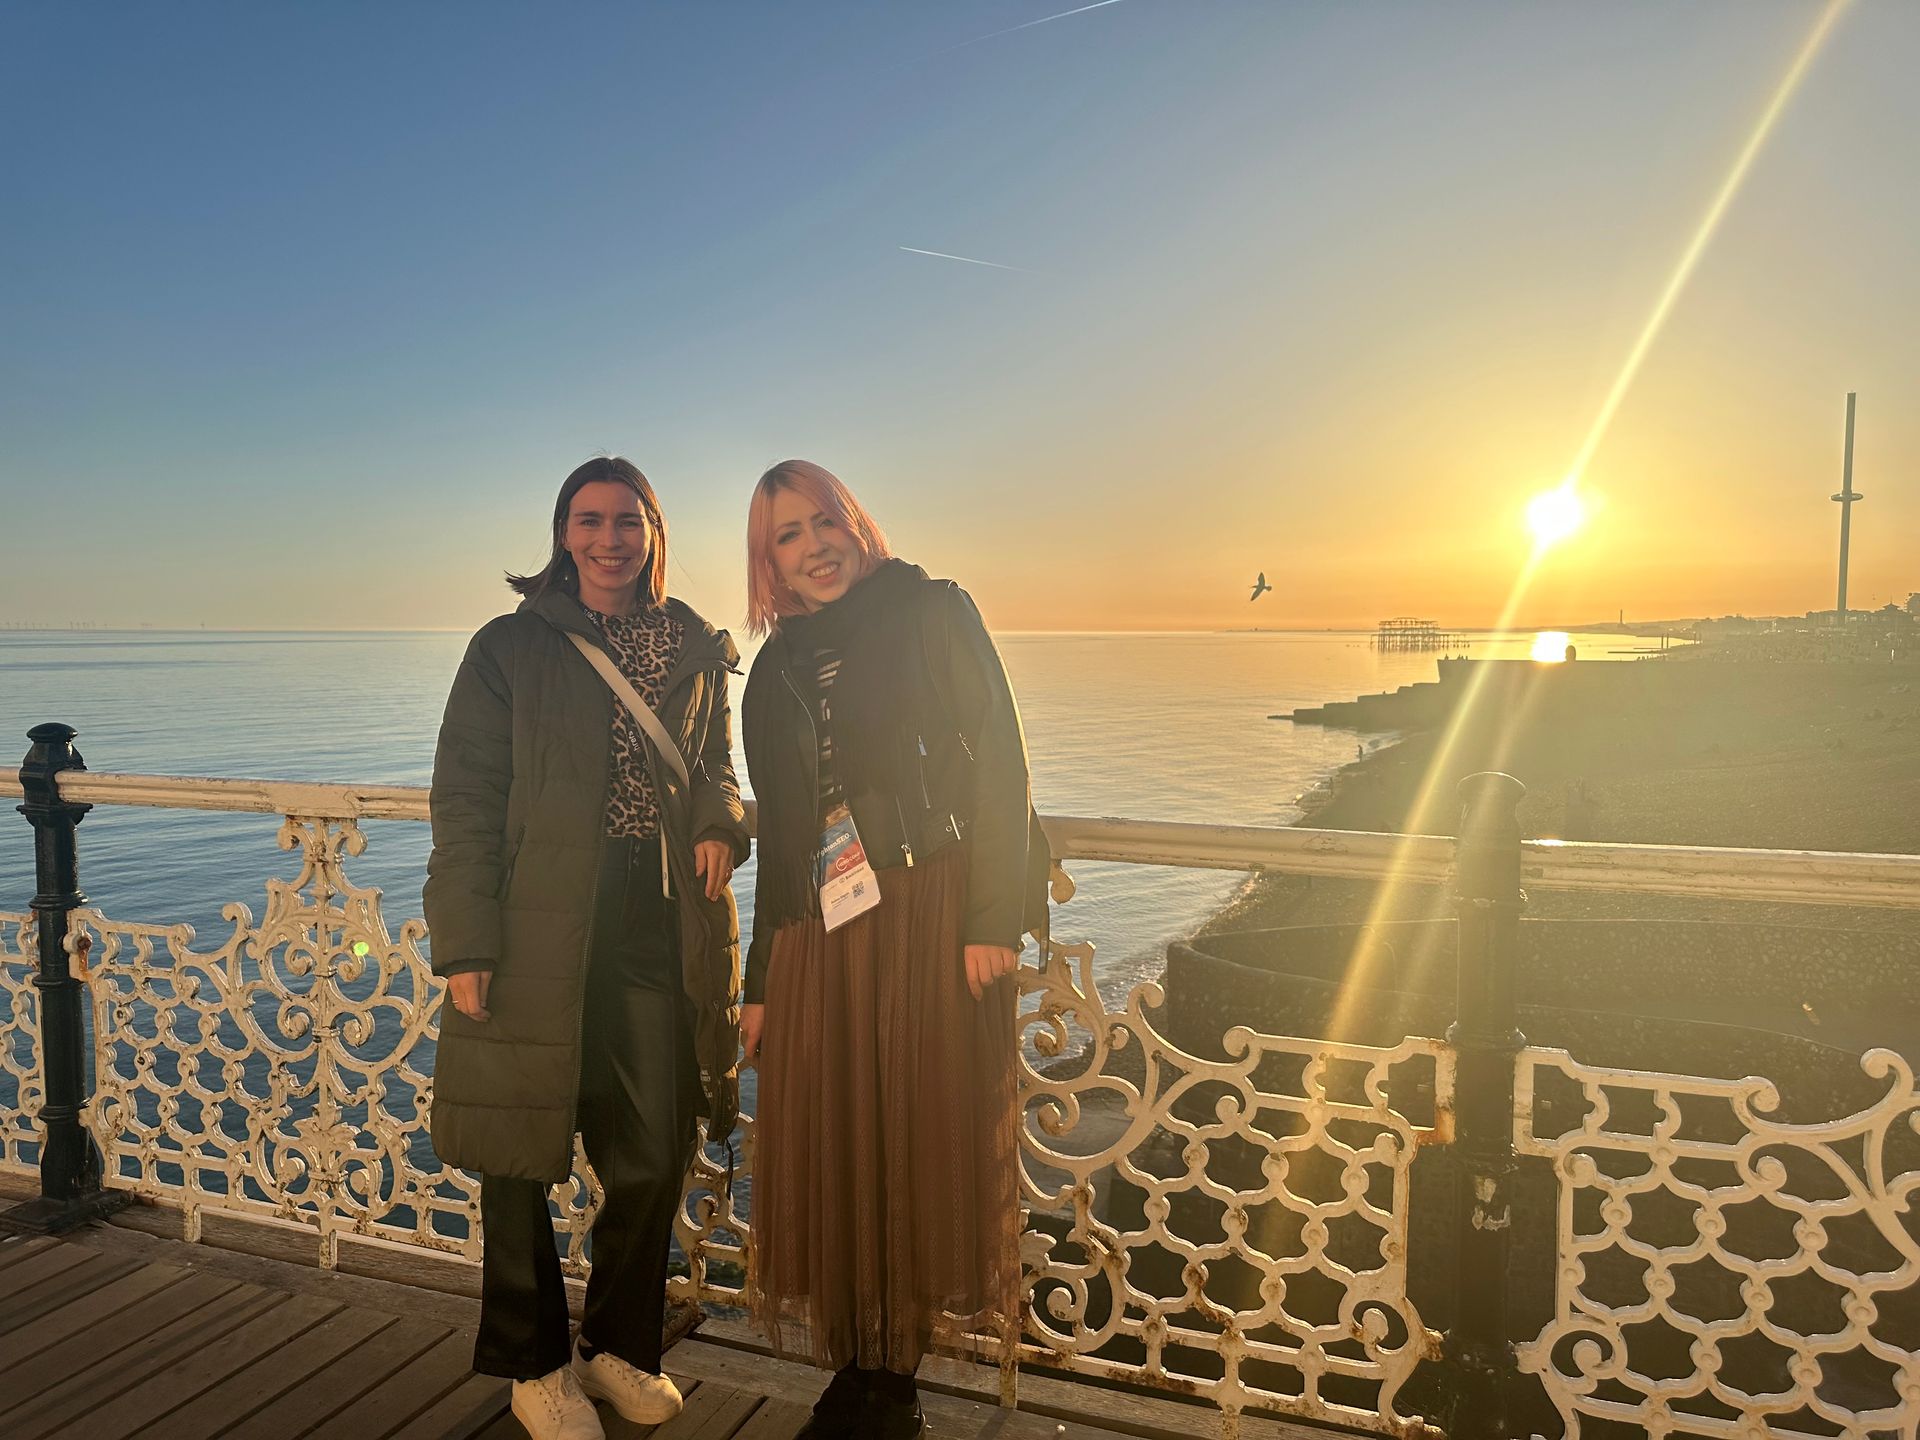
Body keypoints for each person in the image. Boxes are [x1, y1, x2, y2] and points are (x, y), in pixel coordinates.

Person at [424, 457, 749, 1440]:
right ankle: (532, 1364)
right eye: (587, 519)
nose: (608, 538)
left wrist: (720, 823)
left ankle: (616, 1346)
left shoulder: (691, 641)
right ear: (562, 535)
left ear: (654, 531)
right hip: (534, 921)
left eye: (627, 520)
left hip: (655, 917)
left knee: (655, 1145)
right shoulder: (506, 649)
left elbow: (716, 767)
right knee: (516, 1149)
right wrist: (466, 942)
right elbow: (466, 799)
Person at [739, 460, 1048, 1439]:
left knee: (912, 1129)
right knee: (840, 1133)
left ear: (855, 524)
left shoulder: (932, 610)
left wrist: (992, 919)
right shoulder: (779, 664)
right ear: (769, 561)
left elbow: (1000, 761)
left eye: (823, 521)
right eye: (787, 534)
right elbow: (785, 832)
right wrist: (758, 983)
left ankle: (896, 1377)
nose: (812, 545)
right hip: (821, 922)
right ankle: (855, 1363)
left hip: (927, 901)